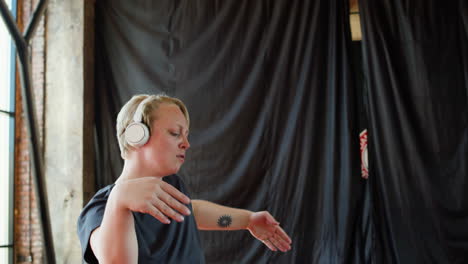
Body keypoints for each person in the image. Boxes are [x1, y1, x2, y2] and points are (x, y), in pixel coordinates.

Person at [77, 94, 292, 263]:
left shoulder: (172, 187)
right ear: (137, 136)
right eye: (174, 133)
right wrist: (118, 201)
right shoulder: (100, 210)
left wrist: (247, 220)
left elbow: (191, 213)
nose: (186, 144)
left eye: (186, 135)